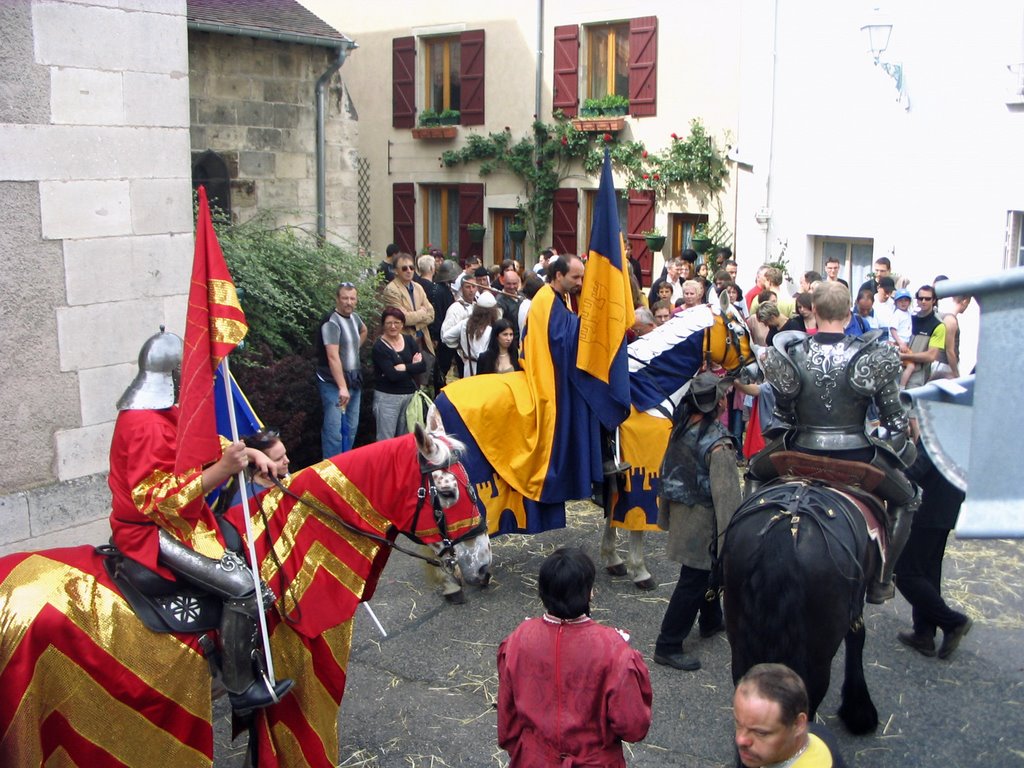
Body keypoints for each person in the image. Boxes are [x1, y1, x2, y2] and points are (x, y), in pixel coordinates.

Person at [108, 329, 293, 715]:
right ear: (173, 375)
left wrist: (245, 453)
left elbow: (201, 439)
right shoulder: (144, 424)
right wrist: (223, 469)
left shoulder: (165, 410)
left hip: (183, 520)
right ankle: (240, 687)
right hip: (152, 530)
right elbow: (159, 499)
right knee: (245, 589)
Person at [749, 281, 920, 603]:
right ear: (848, 312)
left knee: (754, 474)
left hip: (799, 446)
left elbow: (782, 419)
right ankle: (882, 581)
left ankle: (737, 552)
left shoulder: (791, 353)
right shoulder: (873, 354)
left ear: (813, 310)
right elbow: (896, 423)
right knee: (908, 499)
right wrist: (900, 451)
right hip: (856, 450)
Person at [497, 547, 653, 767]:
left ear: (541, 592)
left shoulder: (518, 640)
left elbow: (507, 719)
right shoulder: (614, 651)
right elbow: (633, 727)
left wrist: (528, 752)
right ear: (590, 593)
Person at [654, 372, 742, 671]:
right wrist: (732, 539)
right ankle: (668, 643)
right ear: (717, 403)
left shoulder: (680, 428)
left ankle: (711, 619)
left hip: (682, 514)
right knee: (693, 580)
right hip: (703, 521)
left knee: (706, 573)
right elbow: (727, 498)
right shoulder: (718, 443)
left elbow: (665, 472)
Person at [895, 445, 973, 660]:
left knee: (905, 573)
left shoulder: (934, 428)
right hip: (948, 505)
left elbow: (917, 469)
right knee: (928, 573)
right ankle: (924, 635)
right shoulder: (953, 425)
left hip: (928, 507)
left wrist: (891, 473)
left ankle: (953, 621)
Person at [734, 664, 848, 768]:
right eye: (738, 723)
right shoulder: (819, 733)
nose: (740, 740)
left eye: (760, 733)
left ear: (798, 724)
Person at [314, 282, 367, 456]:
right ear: (337, 299)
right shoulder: (331, 321)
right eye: (345, 298)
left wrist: (353, 349)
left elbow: (364, 330)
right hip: (333, 383)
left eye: (352, 298)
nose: (348, 302)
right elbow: (332, 356)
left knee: (351, 428)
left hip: (354, 380)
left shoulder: (355, 318)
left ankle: (346, 466)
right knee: (334, 431)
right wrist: (342, 387)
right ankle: (331, 470)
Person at [371, 307, 425, 440]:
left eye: (397, 323)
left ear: (402, 324)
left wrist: (404, 367)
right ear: (383, 325)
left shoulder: (409, 340)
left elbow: (423, 366)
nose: (393, 326)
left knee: (406, 438)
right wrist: (413, 366)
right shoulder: (379, 347)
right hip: (388, 398)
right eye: (389, 323)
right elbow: (392, 375)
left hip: (409, 397)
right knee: (386, 439)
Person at [455, 292, 499, 377]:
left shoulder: (465, 324)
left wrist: (462, 349)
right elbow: (480, 355)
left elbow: (447, 337)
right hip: (483, 371)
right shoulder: (490, 330)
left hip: (468, 368)